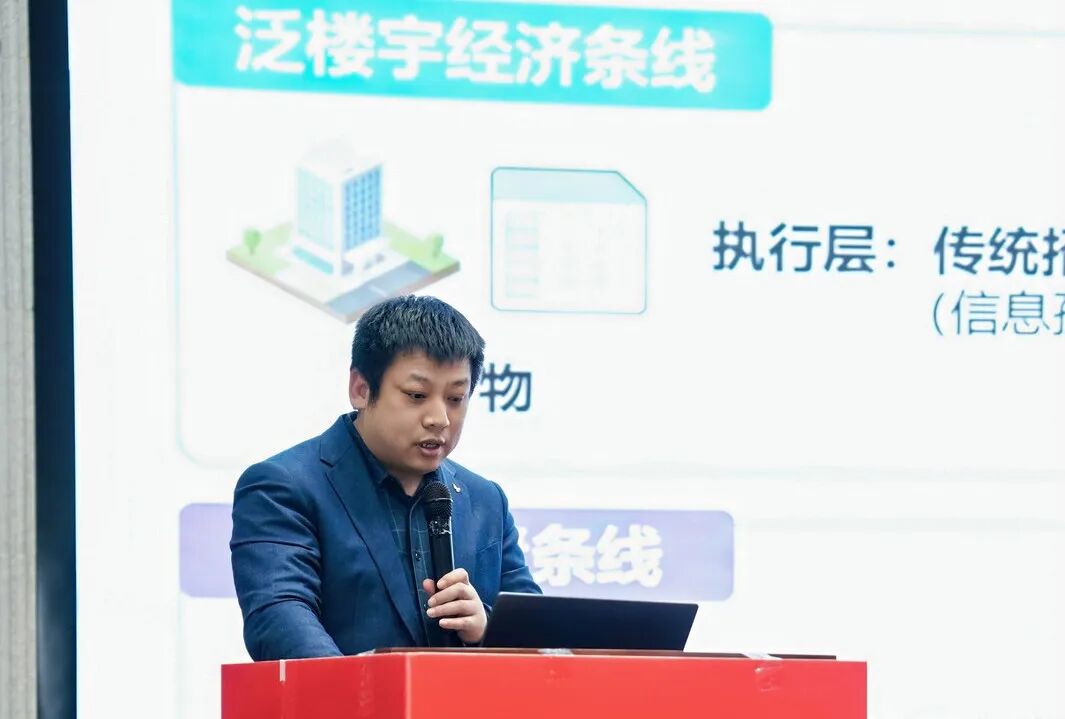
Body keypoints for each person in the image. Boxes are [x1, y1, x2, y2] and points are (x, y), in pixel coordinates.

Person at [230, 295, 541, 660]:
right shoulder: (283, 487)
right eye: (416, 395)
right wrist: (363, 688)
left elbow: (535, 637)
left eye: (456, 398)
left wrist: (485, 627)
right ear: (361, 389)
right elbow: (279, 618)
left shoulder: (485, 499)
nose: (439, 419)